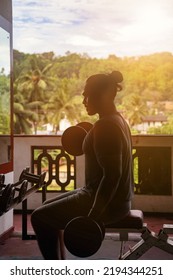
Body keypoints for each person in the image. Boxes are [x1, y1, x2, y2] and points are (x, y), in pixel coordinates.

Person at [31, 71, 134, 259]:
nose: (84, 101)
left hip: (107, 204)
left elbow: (112, 176)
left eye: (87, 95)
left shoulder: (106, 127)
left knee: (38, 217)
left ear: (100, 95)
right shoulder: (117, 120)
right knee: (45, 207)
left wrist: (93, 216)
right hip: (114, 199)